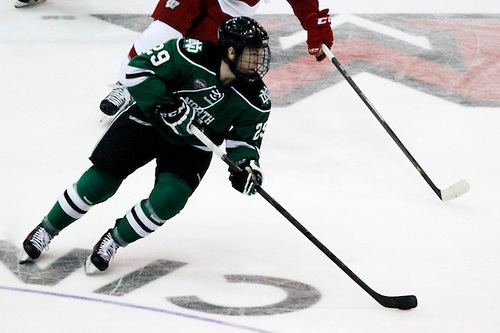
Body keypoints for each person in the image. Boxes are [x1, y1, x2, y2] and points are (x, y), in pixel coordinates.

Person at [18, 16, 272, 275]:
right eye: (253, 53)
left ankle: (113, 241)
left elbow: (246, 141)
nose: (259, 61)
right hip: (148, 121)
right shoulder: (189, 54)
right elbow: (138, 69)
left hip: (192, 145)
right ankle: (46, 229)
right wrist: (166, 105)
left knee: (168, 200)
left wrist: (247, 167)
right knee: (99, 183)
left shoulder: (257, 100)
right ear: (230, 51)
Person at [99, 0, 334, 116]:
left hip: (235, 3)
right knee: (165, 30)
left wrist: (314, 23)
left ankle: (173, 86)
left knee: (205, 54)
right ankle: (127, 84)